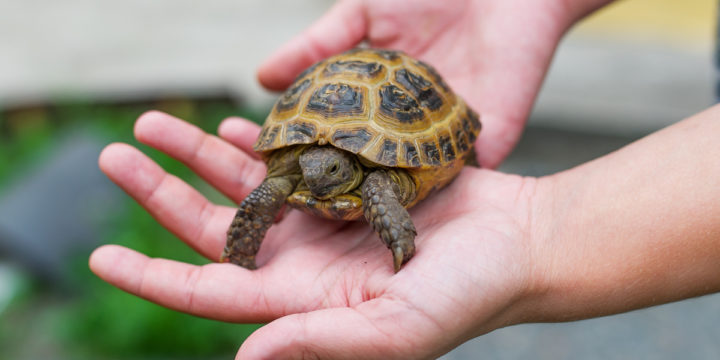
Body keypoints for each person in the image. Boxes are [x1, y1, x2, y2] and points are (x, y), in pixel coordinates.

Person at [89, 0, 720, 358]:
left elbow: (374, 191)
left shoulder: (376, 181)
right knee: (274, 192)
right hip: (327, 108)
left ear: (349, 168)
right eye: (308, 168)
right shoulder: (300, 169)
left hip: (402, 115)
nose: (315, 175)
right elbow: (270, 190)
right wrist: (244, 243)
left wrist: (406, 244)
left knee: (366, 192)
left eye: (330, 171)